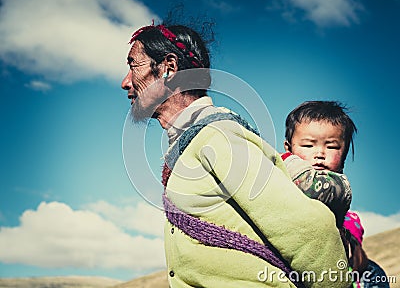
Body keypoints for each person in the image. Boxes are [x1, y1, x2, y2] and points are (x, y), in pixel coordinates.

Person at [121, 22, 350, 287]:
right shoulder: (190, 144)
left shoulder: (218, 136)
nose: (125, 81)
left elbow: (311, 230)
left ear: (169, 69)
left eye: (133, 65)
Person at [283, 101, 389, 288]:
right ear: (288, 147)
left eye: (331, 147)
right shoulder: (278, 179)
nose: (320, 153)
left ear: (345, 154)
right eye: (308, 145)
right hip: (292, 266)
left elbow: (311, 187)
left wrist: (288, 162)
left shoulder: (336, 187)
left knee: (373, 273)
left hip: (337, 272)